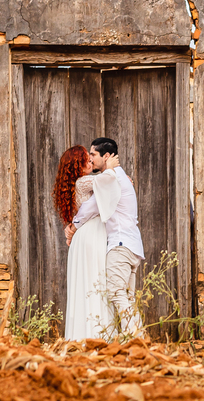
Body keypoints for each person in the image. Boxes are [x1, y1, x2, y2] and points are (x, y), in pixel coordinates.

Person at [67, 137, 143, 339]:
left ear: (106, 157)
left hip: (120, 245)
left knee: (117, 294)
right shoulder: (115, 177)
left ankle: (138, 338)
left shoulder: (113, 179)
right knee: (126, 296)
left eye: (93, 154)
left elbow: (90, 207)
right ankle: (133, 341)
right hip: (131, 245)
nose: (90, 159)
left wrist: (73, 227)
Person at [52, 145, 115, 340]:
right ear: (76, 165)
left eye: (90, 158)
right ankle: (99, 335)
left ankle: (85, 334)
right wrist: (110, 166)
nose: (90, 162)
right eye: (86, 159)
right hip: (90, 235)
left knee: (87, 284)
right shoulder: (83, 182)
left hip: (83, 236)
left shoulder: (74, 185)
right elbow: (110, 180)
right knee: (96, 281)